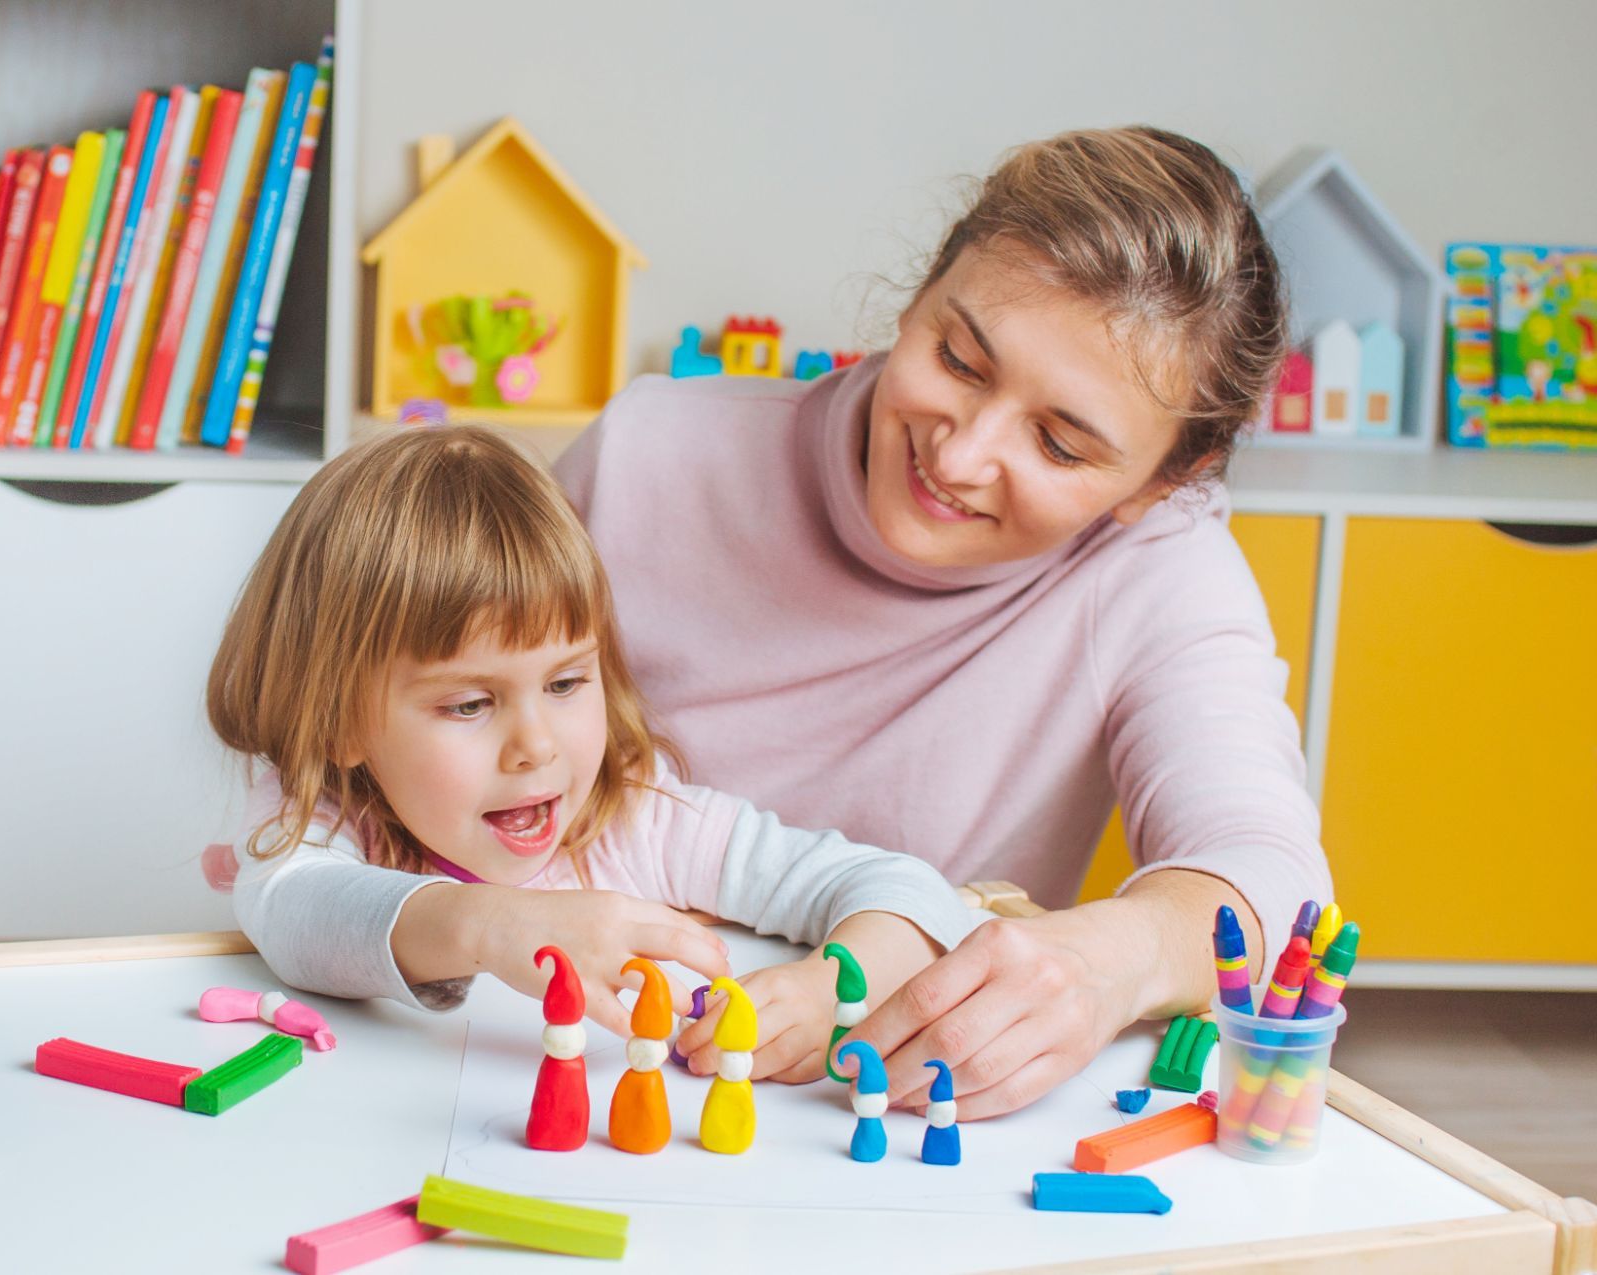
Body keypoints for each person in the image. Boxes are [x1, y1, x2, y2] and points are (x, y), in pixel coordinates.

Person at [559, 126, 1333, 1114]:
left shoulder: (1159, 572)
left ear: (1164, 480)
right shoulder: (645, 456)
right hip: (565, 1049)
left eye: (1060, 445)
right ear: (922, 290)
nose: (959, 457)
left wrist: (1110, 959)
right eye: (960, 360)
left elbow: (1269, 876)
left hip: (859, 1108)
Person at [204, 425, 986, 1074]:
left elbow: (906, 889)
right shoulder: (322, 819)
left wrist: (827, 990)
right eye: (470, 703)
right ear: (340, 721)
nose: (536, 745)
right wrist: (491, 925)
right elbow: (294, 911)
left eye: (567, 682)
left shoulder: (637, 819)